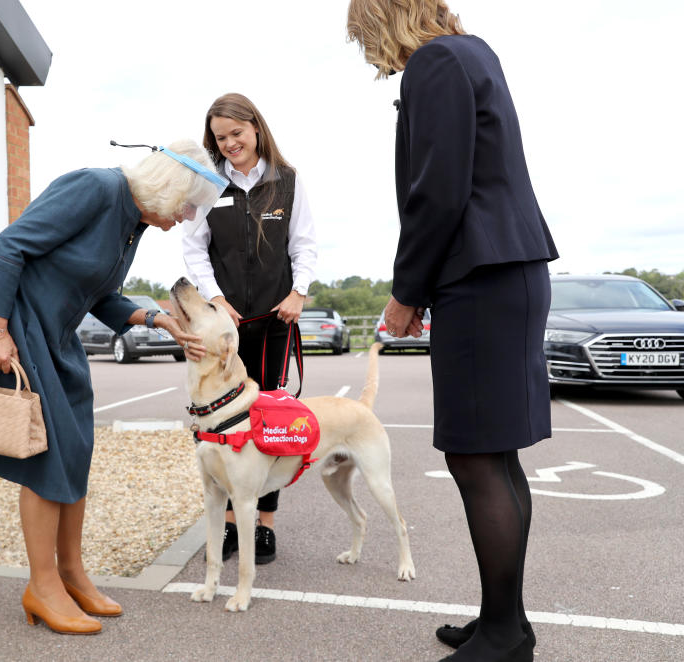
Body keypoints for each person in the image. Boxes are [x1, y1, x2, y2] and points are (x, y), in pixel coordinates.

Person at [0, 140, 220, 635]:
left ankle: (70, 573)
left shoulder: (133, 223)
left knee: (76, 446)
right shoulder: (97, 187)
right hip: (14, 323)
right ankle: (42, 587)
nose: (189, 216)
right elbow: (10, 246)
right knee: (47, 456)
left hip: (56, 333)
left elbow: (101, 295)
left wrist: (155, 318)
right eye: (189, 204)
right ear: (170, 187)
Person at [347, 2, 558, 661]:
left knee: (475, 454)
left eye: (365, 39)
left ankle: (502, 634)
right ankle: (507, 621)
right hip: (509, 270)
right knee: (496, 454)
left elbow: (437, 191)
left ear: (383, 21)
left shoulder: (434, 63)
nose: (371, 55)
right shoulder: (473, 53)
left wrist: (405, 292)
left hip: (480, 274)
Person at [183, 92, 318, 565]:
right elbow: (194, 249)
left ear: (255, 128)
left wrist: (298, 292)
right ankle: (224, 527)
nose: (230, 143)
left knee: (266, 419)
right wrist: (216, 300)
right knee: (219, 419)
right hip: (225, 326)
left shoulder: (288, 182)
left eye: (236, 133)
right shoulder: (207, 185)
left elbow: (303, 244)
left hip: (274, 319)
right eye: (220, 138)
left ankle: (263, 525)